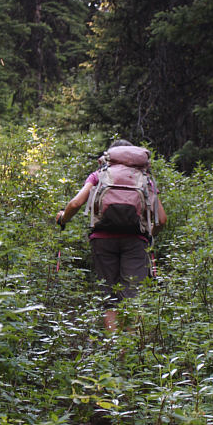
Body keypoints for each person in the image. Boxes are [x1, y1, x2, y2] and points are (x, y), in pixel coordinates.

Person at [55, 140, 166, 332]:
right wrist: (149, 236)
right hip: (135, 240)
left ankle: (113, 350)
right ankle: (129, 352)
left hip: (102, 240)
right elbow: (162, 220)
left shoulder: (100, 175)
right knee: (133, 297)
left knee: (109, 298)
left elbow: (75, 204)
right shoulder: (144, 178)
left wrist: (63, 219)